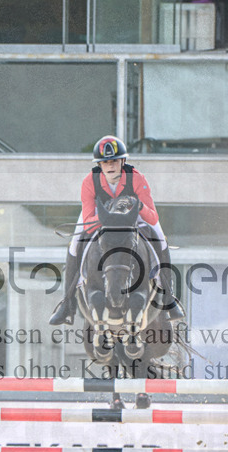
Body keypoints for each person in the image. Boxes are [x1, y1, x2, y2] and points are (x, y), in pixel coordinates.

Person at [49, 135, 184, 325]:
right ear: (100, 165)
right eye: (105, 162)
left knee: (160, 238)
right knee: (74, 244)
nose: (110, 166)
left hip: (132, 214)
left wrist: (136, 205)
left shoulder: (136, 178)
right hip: (100, 216)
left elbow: (152, 216)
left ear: (122, 161)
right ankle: (67, 304)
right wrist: (108, 216)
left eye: (114, 161)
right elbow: (87, 221)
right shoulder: (89, 181)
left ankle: (169, 298)